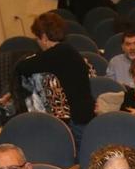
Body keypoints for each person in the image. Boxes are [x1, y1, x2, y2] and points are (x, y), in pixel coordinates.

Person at [15, 12, 95, 147]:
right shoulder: (66, 50)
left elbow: (23, 67)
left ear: (44, 37)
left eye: (37, 38)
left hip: (77, 119)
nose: (37, 42)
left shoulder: (57, 54)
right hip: (83, 113)